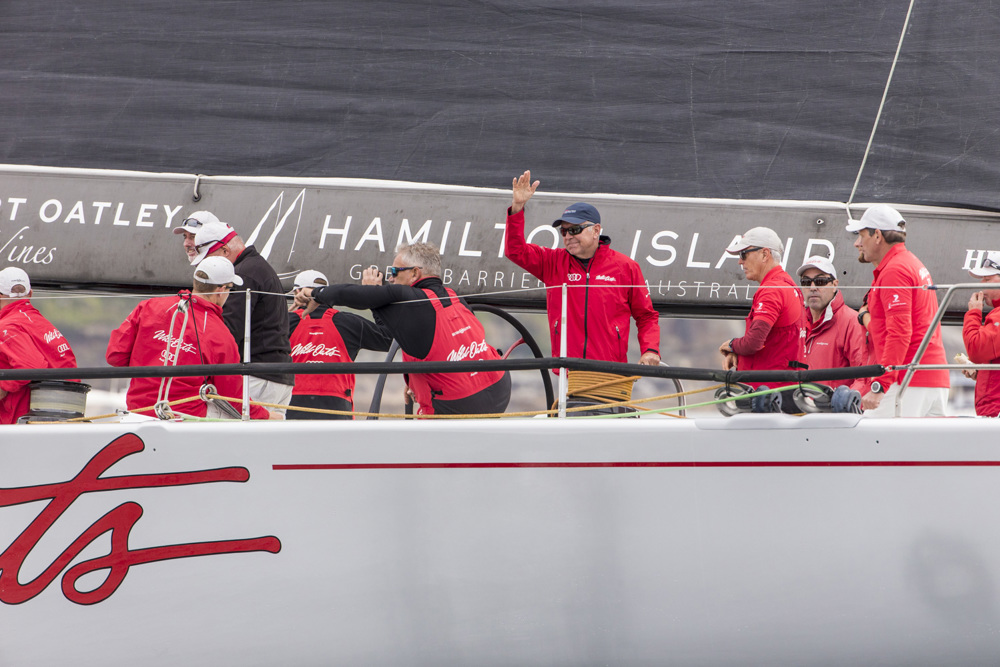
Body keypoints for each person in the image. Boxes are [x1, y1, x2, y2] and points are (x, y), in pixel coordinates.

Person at [295, 243, 511, 417]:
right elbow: (438, 343)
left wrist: (317, 294)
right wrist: (415, 383)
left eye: (394, 272)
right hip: (500, 386)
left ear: (415, 273)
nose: (390, 278)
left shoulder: (407, 297)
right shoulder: (455, 296)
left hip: (459, 403)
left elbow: (352, 295)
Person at [505, 170, 660, 366]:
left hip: (612, 371)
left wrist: (650, 350)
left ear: (596, 230)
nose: (568, 236)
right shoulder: (552, 262)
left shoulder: (626, 267)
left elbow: (646, 316)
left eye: (575, 229)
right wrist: (517, 207)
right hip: (567, 370)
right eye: (564, 231)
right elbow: (515, 251)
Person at [106, 257, 273, 420]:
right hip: (185, 419)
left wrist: (152, 360)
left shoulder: (148, 307)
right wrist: (266, 415)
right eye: (230, 289)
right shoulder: (221, 336)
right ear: (220, 290)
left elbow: (115, 357)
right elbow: (232, 396)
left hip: (137, 412)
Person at [846, 204, 949, 416]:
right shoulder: (910, 263)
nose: (857, 243)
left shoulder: (895, 270)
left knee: (870, 445)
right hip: (930, 378)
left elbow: (900, 333)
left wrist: (880, 385)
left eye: (861, 234)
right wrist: (866, 317)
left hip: (907, 381)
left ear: (877, 236)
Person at [189, 220, 295, 416]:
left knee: (225, 436)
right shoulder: (257, 268)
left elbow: (227, 331)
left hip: (257, 376)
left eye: (209, 259)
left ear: (225, 251)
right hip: (276, 375)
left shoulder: (242, 275)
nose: (208, 266)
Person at [718, 227, 805, 411]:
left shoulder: (772, 290)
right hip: (785, 392)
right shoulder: (789, 286)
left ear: (765, 254)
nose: (740, 261)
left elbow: (754, 342)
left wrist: (732, 345)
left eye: (744, 254)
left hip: (766, 397)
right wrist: (738, 353)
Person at [287, 269, 393, 420]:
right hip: (337, 406)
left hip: (290, 404)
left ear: (297, 292)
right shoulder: (348, 322)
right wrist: (374, 298)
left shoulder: (282, 322)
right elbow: (390, 340)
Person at [0, 267, 78, 424]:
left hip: (26, 419)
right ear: (30, 294)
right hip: (64, 413)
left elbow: (31, 365)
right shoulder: (41, 323)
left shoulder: (7, 326)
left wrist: (2, 387)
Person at [797, 256, 870, 391]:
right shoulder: (797, 322)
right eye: (806, 282)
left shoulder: (851, 322)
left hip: (831, 410)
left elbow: (863, 378)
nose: (812, 287)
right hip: (796, 407)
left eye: (820, 281)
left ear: (835, 285)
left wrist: (842, 403)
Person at [961, 251, 1000, 417]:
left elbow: (975, 349)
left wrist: (974, 313)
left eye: (987, 279)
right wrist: (982, 370)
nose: (983, 286)